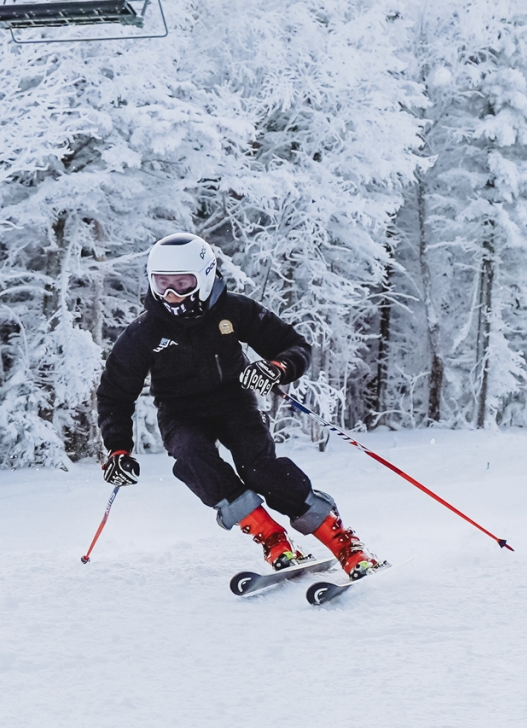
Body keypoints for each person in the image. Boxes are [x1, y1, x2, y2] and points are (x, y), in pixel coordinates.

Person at [95, 233, 383, 580]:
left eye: (183, 284)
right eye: (162, 284)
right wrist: (119, 449)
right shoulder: (146, 331)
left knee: (260, 469)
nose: (171, 295)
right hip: (180, 413)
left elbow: (293, 345)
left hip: (235, 402)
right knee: (193, 459)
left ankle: (343, 543)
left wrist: (277, 368)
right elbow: (115, 393)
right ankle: (274, 539)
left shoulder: (234, 310)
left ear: (203, 278)